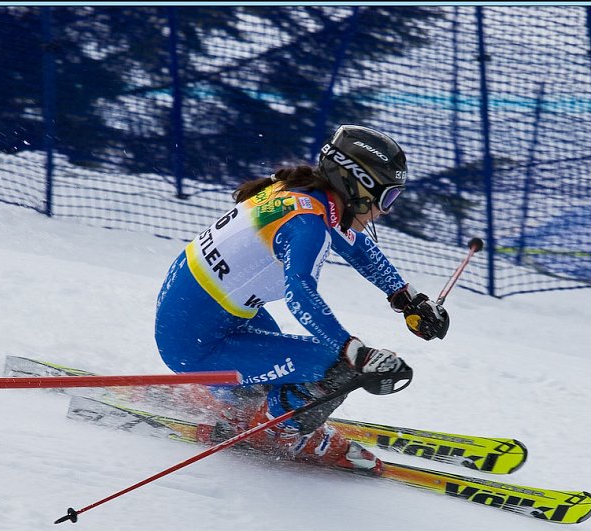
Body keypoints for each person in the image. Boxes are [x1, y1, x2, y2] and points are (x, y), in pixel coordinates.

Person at [155, 124, 449, 474]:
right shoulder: (307, 223)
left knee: (293, 370)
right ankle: (278, 432)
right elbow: (300, 294)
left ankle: (246, 401)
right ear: (355, 184)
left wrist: (406, 298)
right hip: (195, 343)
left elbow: (360, 249)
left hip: (201, 318)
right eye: (387, 198)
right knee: (335, 368)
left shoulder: (305, 195)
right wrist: (355, 352)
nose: (384, 211)